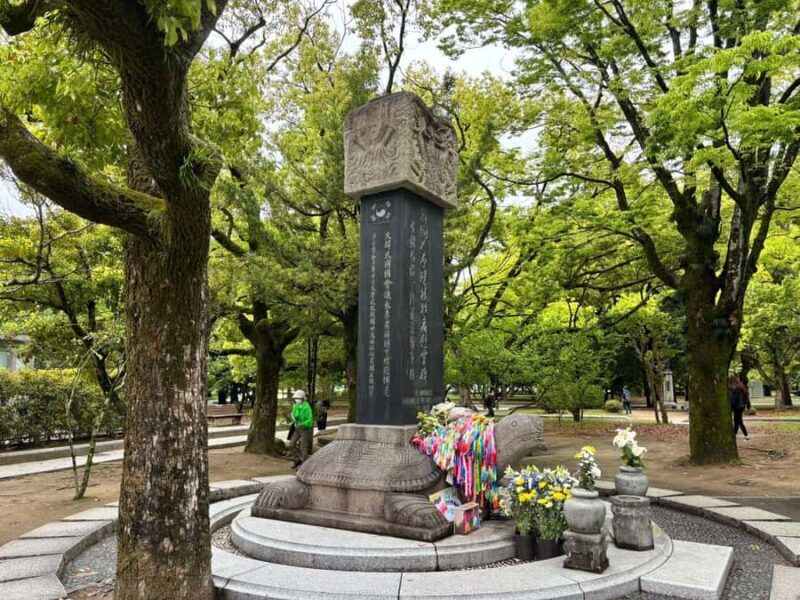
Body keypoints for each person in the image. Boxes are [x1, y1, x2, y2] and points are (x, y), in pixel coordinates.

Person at [290, 389, 314, 468]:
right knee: (292, 443)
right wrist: (294, 421)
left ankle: (304, 465)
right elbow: (294, 415)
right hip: (298, 428)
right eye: (296, 398)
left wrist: (302, 424)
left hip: (305, 428)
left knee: (303, 446)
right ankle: (297, 460)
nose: (297, 400)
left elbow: (310, 420)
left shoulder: (306, 407)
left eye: (299, 398)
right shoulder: (295, 406)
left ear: (303, 398)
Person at [729, 375, 751, 442]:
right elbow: (747, 397)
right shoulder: (741, 387)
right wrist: (748, 405)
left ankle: (735, 436)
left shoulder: (735, 389)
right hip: (741, 407)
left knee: (737, 422)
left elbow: (733, 400)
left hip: (737, 407)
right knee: (739, 422)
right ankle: (746, 436)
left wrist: (731, 407)